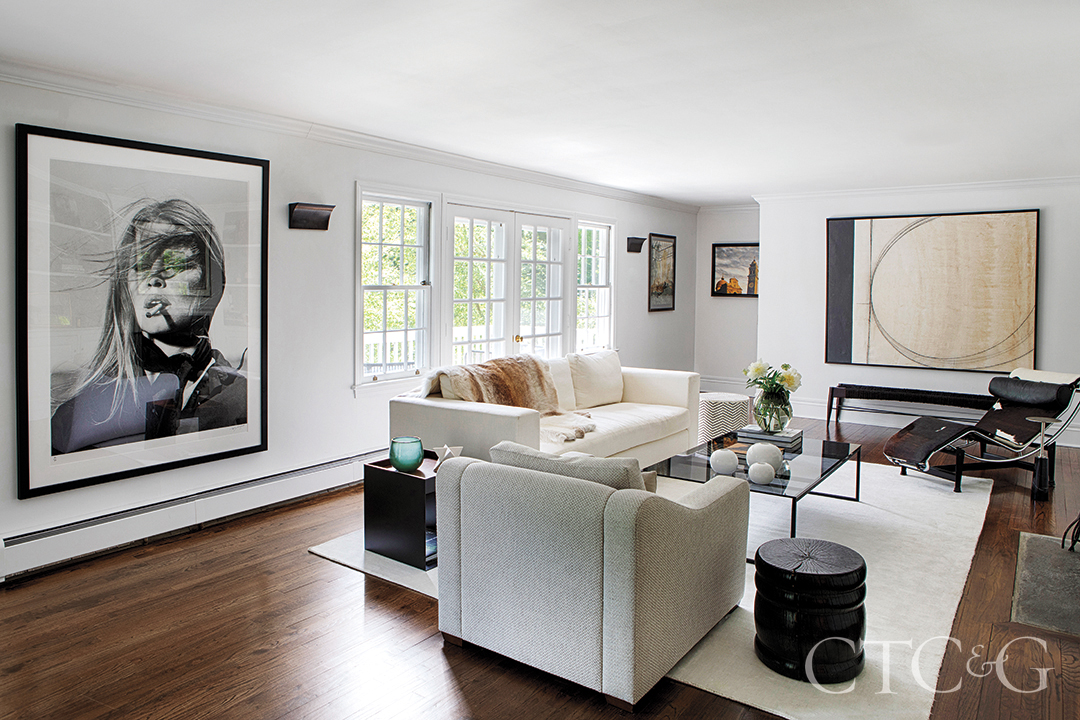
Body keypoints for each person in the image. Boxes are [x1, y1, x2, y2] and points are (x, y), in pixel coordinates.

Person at [51, 198, 247, 455]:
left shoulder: (244, 400)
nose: (153, 278)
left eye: (174, 264)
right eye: (140, 265)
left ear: (212, 282)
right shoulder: (82, 411)